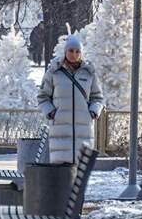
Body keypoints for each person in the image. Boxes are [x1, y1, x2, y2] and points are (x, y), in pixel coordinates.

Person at [37, 35, 104, 164]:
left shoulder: (89, 73)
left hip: (83, 130)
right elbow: (43, 97)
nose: (74, 54)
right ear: (65, 51)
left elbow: (97, 97)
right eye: (71, 51)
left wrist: (93, 111)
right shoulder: (54, 72)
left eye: (77, 51)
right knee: (61, 174)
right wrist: (51, 112)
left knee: (81, 174)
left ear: (81, 53)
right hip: (60, 132)